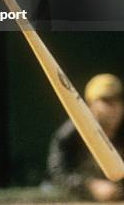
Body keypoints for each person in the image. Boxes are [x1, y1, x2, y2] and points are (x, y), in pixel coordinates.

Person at [45, 73, 124, 202]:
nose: (114, 107)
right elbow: (57, 174)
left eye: (118, 99)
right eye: (106, 100)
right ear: (90, 105)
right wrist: (90, 186)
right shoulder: (69, 135)